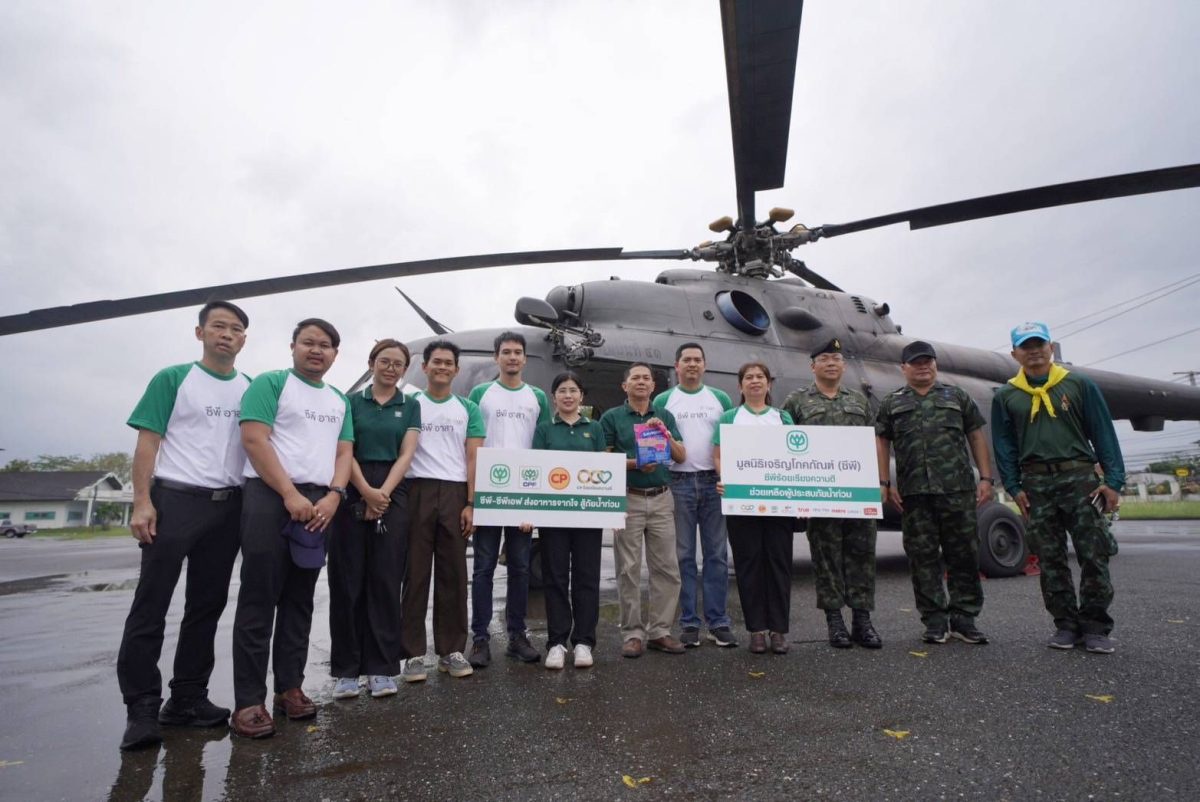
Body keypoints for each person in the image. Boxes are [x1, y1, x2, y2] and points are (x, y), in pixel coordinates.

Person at [117, 301, 252, 750]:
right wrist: (141, 501)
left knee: (206, 606)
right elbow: (148, 441)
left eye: (235, 329)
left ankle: (187, 699)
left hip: (228, 505)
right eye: (218, 326)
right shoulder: (173, 378)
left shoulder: (250, 387)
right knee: (151, 603)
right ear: (200, 333)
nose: (226, 335)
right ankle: (140, 708)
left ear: (244, 340)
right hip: (174, 499)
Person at [231, 318, 353, 739]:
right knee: (259, 598)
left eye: (325, 345)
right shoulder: (270, 383)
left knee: (300, 599)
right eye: (308, 343)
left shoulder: (339, 399)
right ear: (293, 346)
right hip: (270, 497)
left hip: (320, 501)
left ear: (336, 354)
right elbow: (254, 439)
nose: (316, 350)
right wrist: (288, 493)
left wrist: (335, 495)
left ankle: (290, 688)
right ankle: (248, 701)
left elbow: (343, 450)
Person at [991, 322, 1125, 654]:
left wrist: (1113, 482)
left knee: (1093, 553)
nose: (1033, 350)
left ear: (1051, 347)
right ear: (1014, 353)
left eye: (1039, 344)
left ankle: (1095, 626)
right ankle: (1065, 625)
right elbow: (1004, 446)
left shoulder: (1078, 384)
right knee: (1050, 558)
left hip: (1080, 478)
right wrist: (1012, 485)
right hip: (1036, 482)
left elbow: (1103, 433)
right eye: (1026, 346)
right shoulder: (1007, 395)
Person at [875, 341, 994, 646]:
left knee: (964, 555)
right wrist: (884, 482)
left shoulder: (956, 396)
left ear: (935, 365)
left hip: (957, 490)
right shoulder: (892, 403)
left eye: (928, 361)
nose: (923, 366)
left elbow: (976, 436)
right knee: (922, 557)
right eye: (916, 362)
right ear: (904, 368)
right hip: (914, 494)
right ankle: (935, 620)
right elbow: (882, 442)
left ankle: (965, 619)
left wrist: (986, 477)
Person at [329, 339, 421, 700]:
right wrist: (366, 491)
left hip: (393, 489)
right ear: (372, 363)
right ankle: (346, 671)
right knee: (347, 580)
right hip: (352, 483)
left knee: (385, 580)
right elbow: (343, 450)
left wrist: (381, 494)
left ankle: (382, 669)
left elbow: (407, 453)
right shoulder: (351, 402)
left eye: (398, 364)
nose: (391, 368)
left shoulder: (410, 405)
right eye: (385, 361)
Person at [782, 338, 881, 649]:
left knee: (862, 555)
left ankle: (862, 621)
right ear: (813, 366)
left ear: (843, 365)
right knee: (825, 558)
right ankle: (835, 622)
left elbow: (873, 443)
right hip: (819, 494)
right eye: (824, 358)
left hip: (857, 493)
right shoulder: (797, 402)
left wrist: (879, 482)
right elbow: (785, 447)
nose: (831, 363)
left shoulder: (859, 401)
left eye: (836, 358)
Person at [399, 339, 486, 682]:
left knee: (454, 575)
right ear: (424, 367)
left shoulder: (467, 408)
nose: (442, 367)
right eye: (436, 362)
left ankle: (451, 649)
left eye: (448, 363)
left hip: (454, 493)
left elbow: (473, 457)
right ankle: (413, 655)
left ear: (456, 369)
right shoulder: (409, 404)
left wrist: (470, 502)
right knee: (415, 575)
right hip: (415, 489)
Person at [466, 332, 550, 668]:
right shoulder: (481, 393)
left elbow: (542, 446)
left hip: (524, 493)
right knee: (483, 568)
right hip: (488, 491)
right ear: (496, 357)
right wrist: (471, 496)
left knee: (519, 568)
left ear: (525, 359)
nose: (512, 357)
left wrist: (537, 502)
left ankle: (517, 635)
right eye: (506, 352)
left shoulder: (538, 396)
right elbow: (472, 443)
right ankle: (480, 639)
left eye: (518, 352)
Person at [653, 343, 737, 648]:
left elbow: (728, 442)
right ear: (676, 366)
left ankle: (718, 622)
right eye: (686, 360)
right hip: (679, 483)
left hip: (714, 484)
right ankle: (689, 622)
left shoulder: (721, 399)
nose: (692, 364)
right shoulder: (664, 399)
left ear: (705, 365)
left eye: (697, 360)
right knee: (683, 556)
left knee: (716, 555)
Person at [600, 362, 687, 657]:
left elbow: (681, 455)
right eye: (635, 377)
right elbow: (604, 460)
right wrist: (636, 463)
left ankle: (660, 631)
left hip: (662, 497)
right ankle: (632, 633)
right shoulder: (612, 418)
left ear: (653, 386)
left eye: (646, 378)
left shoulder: (664, 415)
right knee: (628, 569)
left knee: (667, 568)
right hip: (629, 497)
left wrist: (665, 434)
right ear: (625, 386)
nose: (641, 382)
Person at [713, 362, 797, 655]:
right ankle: (756, 631)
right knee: (749, 565)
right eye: (748, 377)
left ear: (769, 383)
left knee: (778, 564)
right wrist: (724, 479)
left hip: (778, 504)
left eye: (760, 377)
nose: (754, 381)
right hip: (742, 503)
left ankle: (778, 631)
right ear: (740, 386)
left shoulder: (783, 417)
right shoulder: (730, 417)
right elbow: (719, 456)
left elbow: (793, 461)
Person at [532, 371, 608, 669]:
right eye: (562, 390)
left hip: (588, 514)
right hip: (554, 515)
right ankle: (556, 642)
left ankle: (584, 642)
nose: (567, 395)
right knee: (556, 578)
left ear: (581, 397)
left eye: (573, 390)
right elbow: (537, 470)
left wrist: (611, 508)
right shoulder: (544, 430)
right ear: (554, 397)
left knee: (587, 578)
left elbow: (604, 471)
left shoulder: (595, 428)